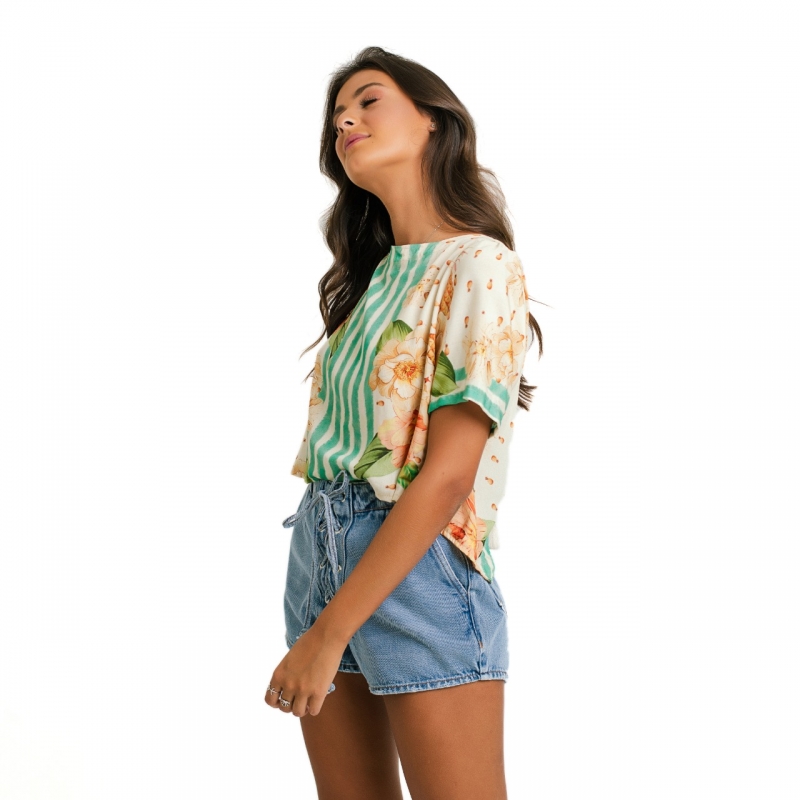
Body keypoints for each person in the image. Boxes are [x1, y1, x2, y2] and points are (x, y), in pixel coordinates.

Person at [265, 46, 543, 800]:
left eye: (368, 100)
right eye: (336, 117)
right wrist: (321, 613)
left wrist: (328, 636)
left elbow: (449, 474)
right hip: (320, 548)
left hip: (418, 561)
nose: (345, 122)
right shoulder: (373, 281)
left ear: (433, 121)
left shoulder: (480, 263)